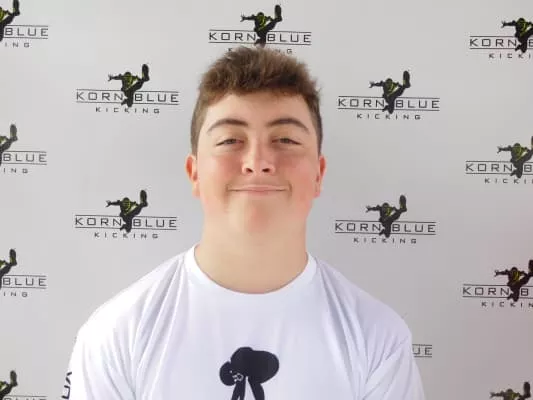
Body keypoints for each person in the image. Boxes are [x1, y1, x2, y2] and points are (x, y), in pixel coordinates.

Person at [63, 47, 425, 399]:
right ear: (194, 173)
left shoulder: (378, 339)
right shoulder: (117, 334)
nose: (257, 161)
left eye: (285, 139)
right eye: (230, 140)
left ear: (319, 173)